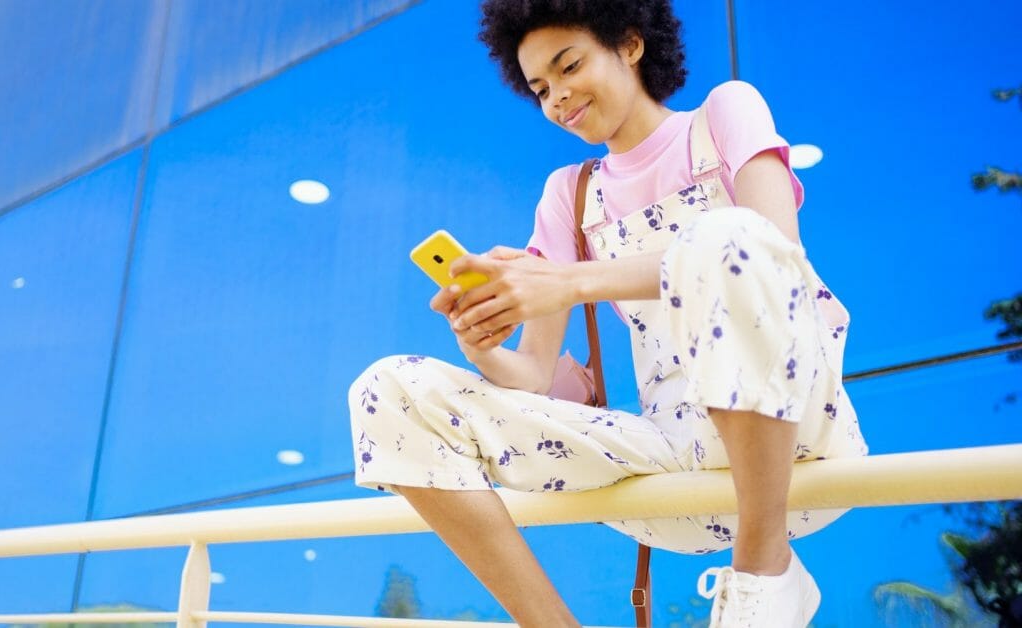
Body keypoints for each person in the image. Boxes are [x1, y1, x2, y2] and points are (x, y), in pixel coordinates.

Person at [347, 1, 868, 626]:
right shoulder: (568, 194)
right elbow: (535, 377)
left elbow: (776, 249)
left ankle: (764, 568)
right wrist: (481, 338)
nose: (558, 98)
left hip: (796, 439)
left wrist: (565, 281)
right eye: (540, 89)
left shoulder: (726, 112)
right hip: (674, 459)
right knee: (387, 390)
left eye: (569, 67)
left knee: (727, 235)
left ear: (629, 43)